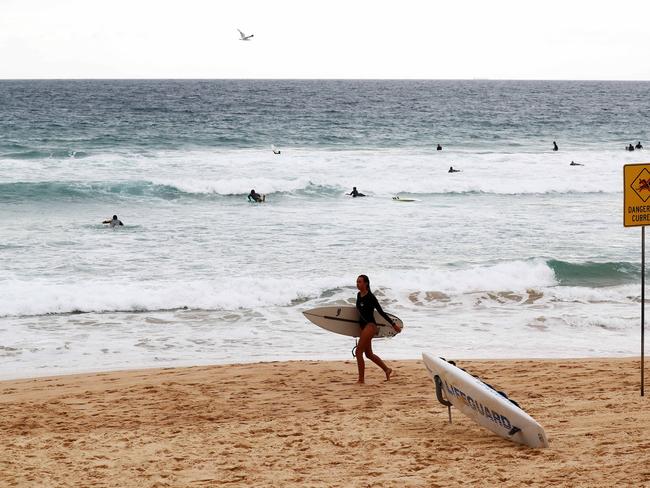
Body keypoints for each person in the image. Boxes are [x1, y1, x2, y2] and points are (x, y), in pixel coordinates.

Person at [354, 274, 401, 384]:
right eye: (357, 282)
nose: (357, 284)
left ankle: (361, 379)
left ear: (366, 283)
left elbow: (381, 312)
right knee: (368, 354)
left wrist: (393, 325)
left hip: (370, 326)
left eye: (360, 282)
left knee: (358, 351)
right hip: (363, 327)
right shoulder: (358, 295)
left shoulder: (371, 297)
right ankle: (387, 369)